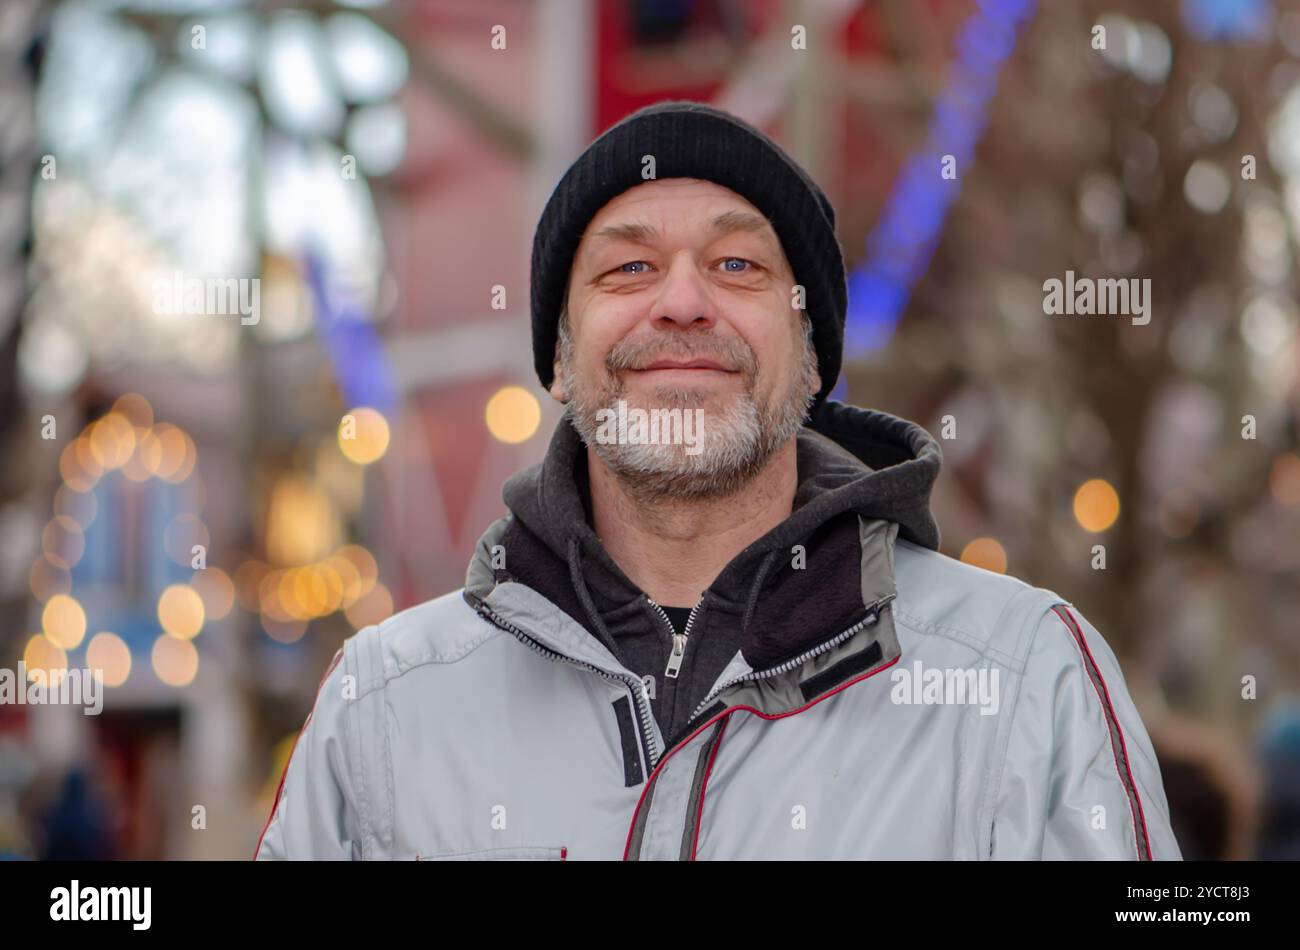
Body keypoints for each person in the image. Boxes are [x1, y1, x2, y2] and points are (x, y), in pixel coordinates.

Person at [256, 100, 1181, 860]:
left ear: (813, 358)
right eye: (629, 267)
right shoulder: (382, 705)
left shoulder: (1026, 680)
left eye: (738, 264)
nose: (684, 300)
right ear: (561, 364)